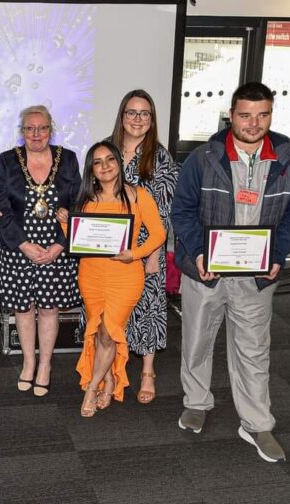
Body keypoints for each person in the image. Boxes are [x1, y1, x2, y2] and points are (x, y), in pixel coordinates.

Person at [171, 82, 290, 462]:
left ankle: (257, 423)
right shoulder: (204, 158)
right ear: (231, 115)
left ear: (271, 115)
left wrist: (278, 252)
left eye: (262, 115)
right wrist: (198, 254)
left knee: (255, 350)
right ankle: (196, 401)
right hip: (207, 270)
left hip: (256, 274)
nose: (254, 123)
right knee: (196, 340)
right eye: (245, 115)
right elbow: (182, 211)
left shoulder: (288, 157)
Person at [0, 105, 81, 396]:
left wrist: (58, 245)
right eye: (29, 128)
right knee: (23, 308)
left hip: (56, 250)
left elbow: (79, 203)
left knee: (50, 308)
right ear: (22, 132)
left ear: (50, 129)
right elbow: (1, 206)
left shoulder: (68, 159)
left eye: (42, 128)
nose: (36, 134)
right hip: (18, 249)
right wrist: (24, 245)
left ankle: (45, 365)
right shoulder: (7, 161)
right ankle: (28, 363)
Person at [74, 141, 165, 417]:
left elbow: (158, 234)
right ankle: (110, 378)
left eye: (110, 159)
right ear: (92, 169)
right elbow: (77, 239)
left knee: (107, 330)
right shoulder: (86, 200)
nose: (105, 166)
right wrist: (66, 221)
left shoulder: (137, 196)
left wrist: (135, 254)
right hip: (90, 275)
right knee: (99, 330)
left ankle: (92, 387)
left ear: (119, 163)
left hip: (125, 276)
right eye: (98, 162)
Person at [108, 90, 179, 404]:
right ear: (122, 116)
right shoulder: (105, 150)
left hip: (145, 249)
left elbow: (163, 213)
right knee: (112, 311)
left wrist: (152, 255)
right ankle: (111, 368)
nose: (137, 119)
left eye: (144, 113)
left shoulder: (160, 157)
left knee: (147, 309)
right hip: (108, 248)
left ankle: (147, 371)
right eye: (131, 112)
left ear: (151, 121)